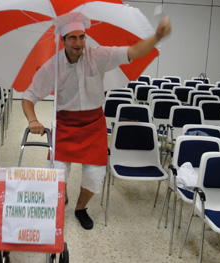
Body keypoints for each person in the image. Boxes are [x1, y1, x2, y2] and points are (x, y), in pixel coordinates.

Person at [22, 12, 171, 230]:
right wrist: (32, 120)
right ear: (62, 40)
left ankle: (81, 208)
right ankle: (60, 197)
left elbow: (134, 51)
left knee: (94, 177)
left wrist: (157, 36)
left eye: (82, 37)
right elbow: (29, 96)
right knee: (55, 174)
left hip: (93, 125)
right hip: (64, 126)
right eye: (72, 37)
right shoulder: (51, 67)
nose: (78, 42)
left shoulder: (97, 56)